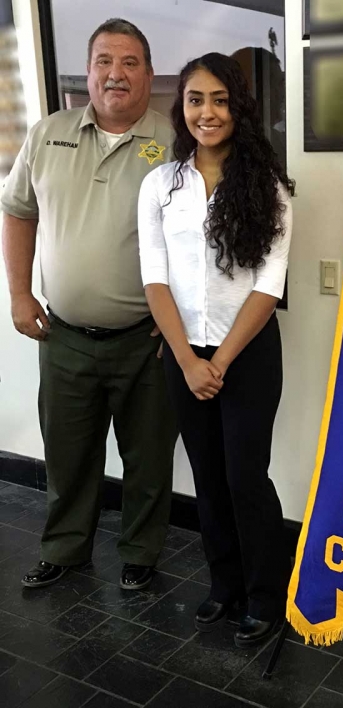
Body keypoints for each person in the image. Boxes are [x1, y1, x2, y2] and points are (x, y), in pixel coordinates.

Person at [1, 18, 178, 591]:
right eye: (104, 61)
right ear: (89, 70)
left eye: (130, 62)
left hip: (144, 338)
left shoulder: (173, 142)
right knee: (68, 454)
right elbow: (19, 212)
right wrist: (21, 293)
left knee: (147, 458)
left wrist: (182, 320)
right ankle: (65, 548)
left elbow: (201, 239)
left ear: (149, 74)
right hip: (64, 335)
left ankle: (140, 552)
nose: (115, 74)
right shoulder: (46, 134)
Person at [138, 52, 293, 647]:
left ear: (240, 108)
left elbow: (268, 285)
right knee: (207, 475)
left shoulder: (268, 187)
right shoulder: (161, 184)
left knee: (245, 474)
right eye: (196, 100)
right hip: (183, 353)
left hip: (247, 354)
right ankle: (223, 585)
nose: (208, 112)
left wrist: (220, 362)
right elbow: (154, 278)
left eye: (221, 100)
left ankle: (263, 593)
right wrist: (187, 360)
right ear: (181, 108)